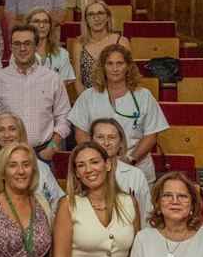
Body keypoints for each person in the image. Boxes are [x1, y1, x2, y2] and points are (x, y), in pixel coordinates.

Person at [71, 45, 169, 182]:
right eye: (110, 64)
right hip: (98, 172)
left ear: (128, 66)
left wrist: (130, 160)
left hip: (138, 169)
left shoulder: (144, 96)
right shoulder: (88, 96)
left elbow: (151, 136)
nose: (115, 69)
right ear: (102, 67)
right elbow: (80, 134)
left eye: (120, 63)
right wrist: (97, 160)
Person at [0, 23, 71, 167]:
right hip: (5, 154)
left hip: (42, 154)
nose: (22, 49)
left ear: (36, 45)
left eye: (27, 43)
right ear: (10, 47)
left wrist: (51, 149)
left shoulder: (52, 79)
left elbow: (64, 117)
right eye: (17, 44)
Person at [0, 112, 66, 209]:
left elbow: (59, 204)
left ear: (20, 133)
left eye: (12, 129)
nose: (7, 135)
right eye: (1, 130)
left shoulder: (41, 167)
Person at [89, 117, 152, 220]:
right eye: (100, 137)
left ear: (120, 142)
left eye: (112, 137)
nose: (106, 143)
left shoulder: (136, 175)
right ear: (91, 140)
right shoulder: (83, 173)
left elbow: (146, 215)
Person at [70, 0, 132, 94]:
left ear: (107, 17)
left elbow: (129, 75)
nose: (96, 18)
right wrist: (86, 103)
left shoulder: (121, 42)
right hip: (88, 100)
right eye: (91, 15)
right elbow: (78, 80)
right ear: (85, 20)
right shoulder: (78, 44)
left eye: (101, 13)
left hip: (117, 96)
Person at [18, 7, 75, 82]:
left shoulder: (62, 54)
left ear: (50, 26)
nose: (41, 26)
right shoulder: (19, 52)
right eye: (36, 21)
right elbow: (15, 82)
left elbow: (63, 86)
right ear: (28, 25)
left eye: (45, 22)